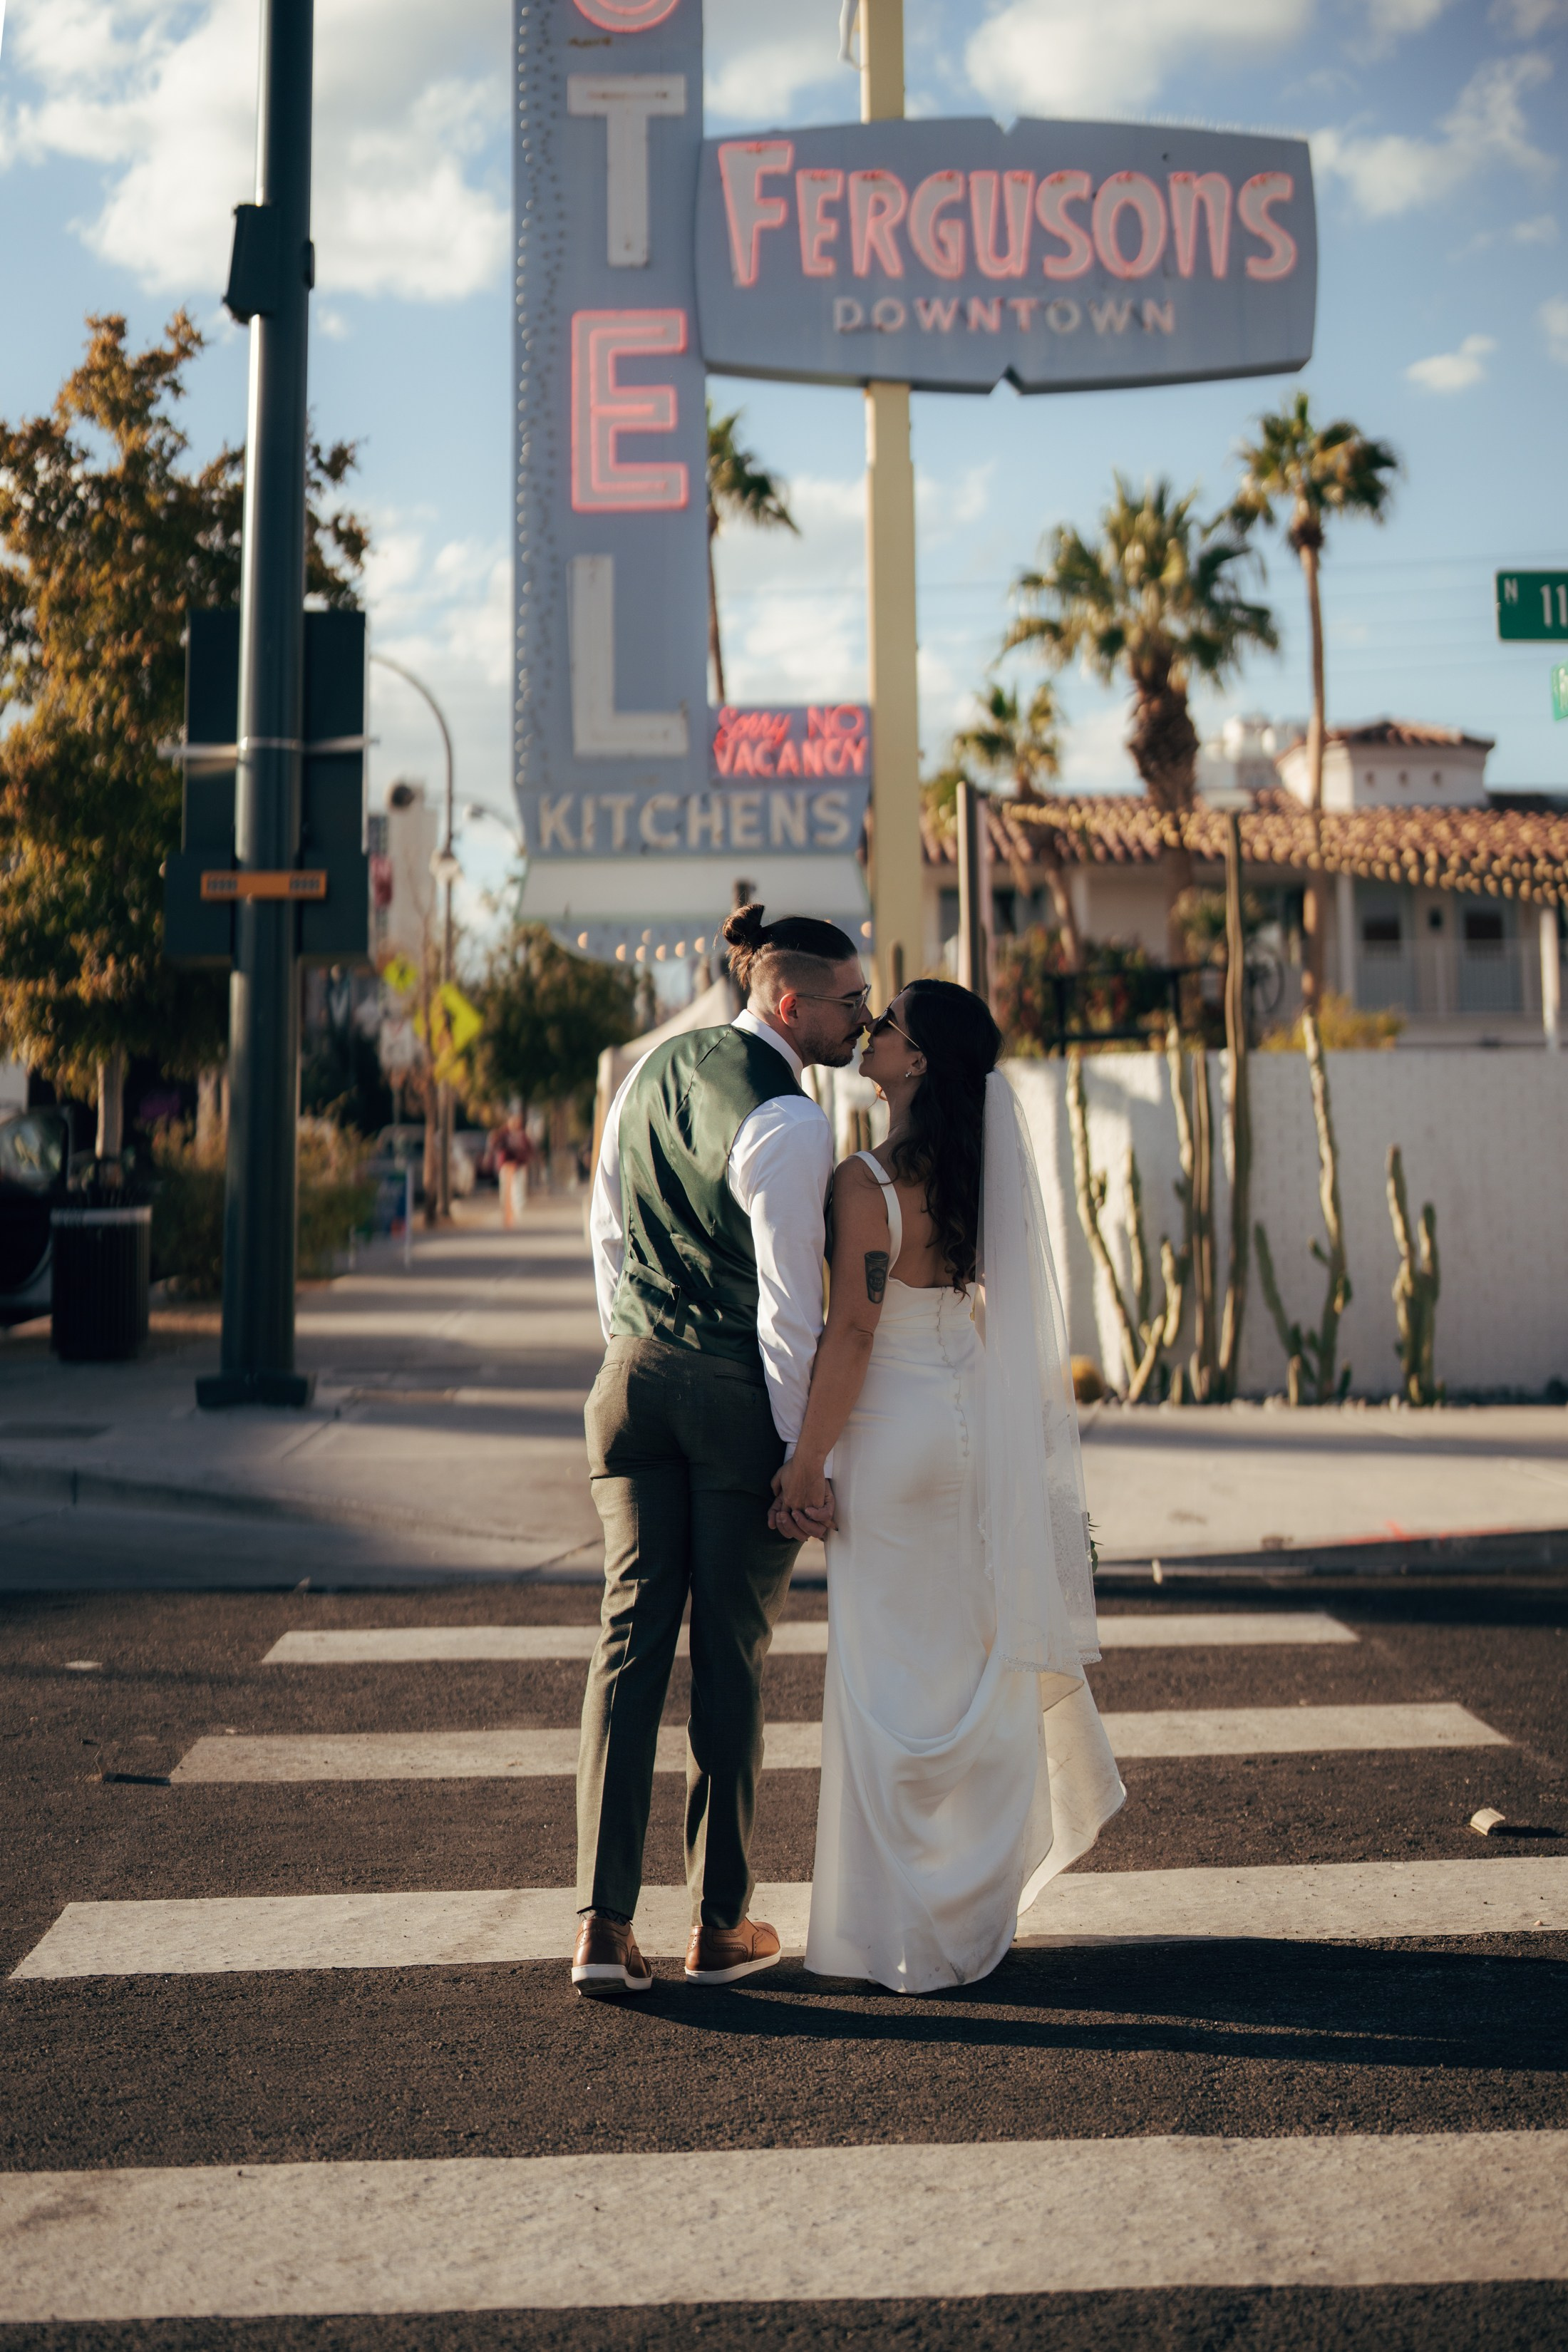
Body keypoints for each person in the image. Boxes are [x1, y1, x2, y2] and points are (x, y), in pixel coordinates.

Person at [772, 979, 1125, 1995]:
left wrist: (806, 1462)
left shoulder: (864, 1185)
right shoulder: (974, 1178)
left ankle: (894, 1929)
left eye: (886, 1026)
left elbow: (852, 1332)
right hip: (968, 1423)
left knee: (884, 1681)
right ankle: (971, 1908)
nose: (871, 1033)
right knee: (964, 1665)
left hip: (892, 1435)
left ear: (916, 1062)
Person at [572, 904, 867, 1997]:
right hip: (735, 1396)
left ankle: (602, 1929)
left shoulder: (646, 1074)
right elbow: (794, 1311)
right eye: (850, 1002)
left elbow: (605, 1234)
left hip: (631, 1379)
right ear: (792, 1005)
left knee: (629, 1644)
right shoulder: (790, 1120)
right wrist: (804, 1460)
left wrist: (630, 1351)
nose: (863, 1018)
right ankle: (718, 1922)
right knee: (730, 1657)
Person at [491, 1110, 533, 1227]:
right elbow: (495, 1145)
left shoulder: (522, 1135)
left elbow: (529, 1148)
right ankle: (506, 1213)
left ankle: (516, 1213)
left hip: (519, 1166)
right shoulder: (503, 1134)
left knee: (518, 1191)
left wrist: (524, 1157)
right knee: (506, 1190)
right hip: (507, 1166)